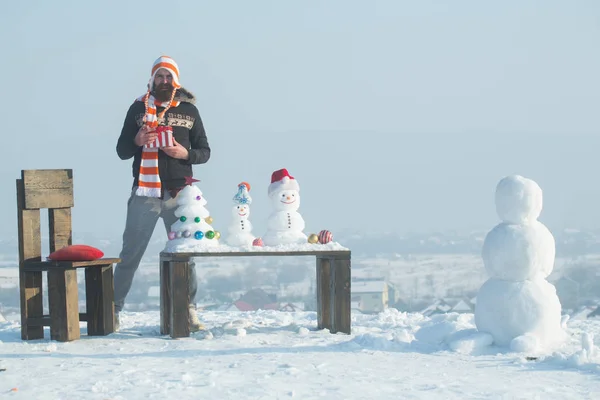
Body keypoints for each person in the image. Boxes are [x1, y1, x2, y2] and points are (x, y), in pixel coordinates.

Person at [114, 55, 210, 332]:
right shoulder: (137, 108)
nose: (164, 81)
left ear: (176, 80)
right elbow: (122, 150)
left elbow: (205, 151)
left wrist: (185, 153)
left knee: (184, 254)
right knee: (130, 254)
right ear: (152, 79)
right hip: (145, 191)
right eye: (160, 76)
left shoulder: (189, 111)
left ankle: (188, 310)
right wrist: (137, 140)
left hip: (180, 194)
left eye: (169, 76)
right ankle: (112, 309)